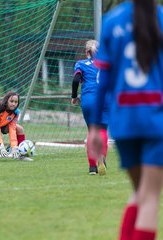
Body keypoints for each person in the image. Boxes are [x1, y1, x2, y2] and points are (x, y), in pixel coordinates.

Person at [88, 1, 163, 239]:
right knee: (150, 196)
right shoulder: (159, 17)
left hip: (124, 122)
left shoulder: (112, 21)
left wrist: (95, 128)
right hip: (155, 119)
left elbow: (103, 81)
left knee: (140, 192)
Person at [71, 40, 109, 175]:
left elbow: (76, 80)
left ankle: (92, 167)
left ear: (87, 52)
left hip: (89, 100)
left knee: (92, 131)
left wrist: (74, 96)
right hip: (105, 100)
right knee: (103, 131)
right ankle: (102, 160)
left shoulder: (81, 64)